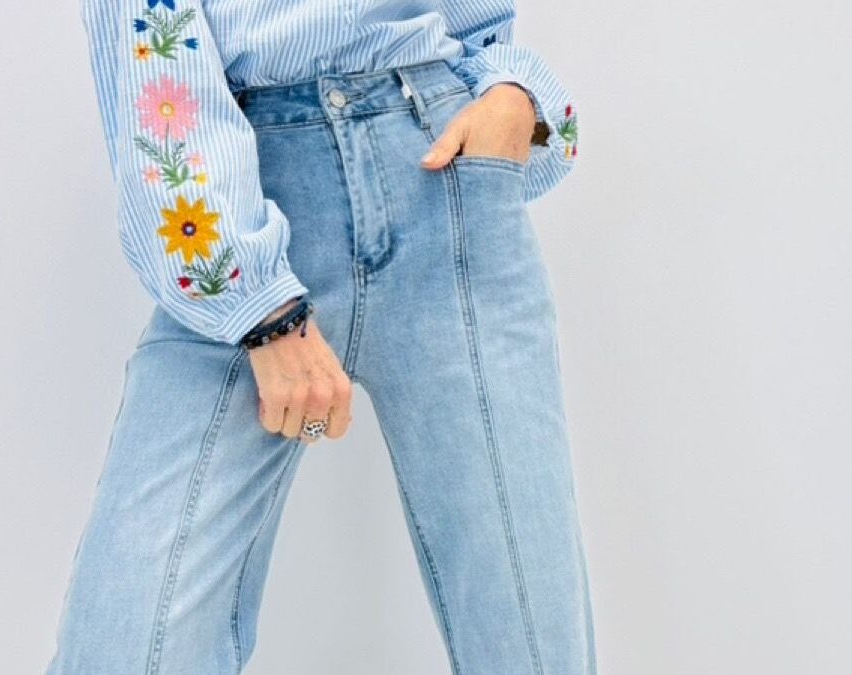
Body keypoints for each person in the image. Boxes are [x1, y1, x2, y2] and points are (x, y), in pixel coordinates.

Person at [46, 1, 595, 673]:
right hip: (245, 204)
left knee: (530, 641)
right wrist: (261, 310)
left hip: (444, 185)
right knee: (128, 643)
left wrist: (512, 98)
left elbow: (475, 25)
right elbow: (148, 51)